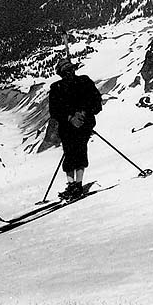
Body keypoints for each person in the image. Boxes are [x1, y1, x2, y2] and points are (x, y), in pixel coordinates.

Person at [48, 58, 103, 200]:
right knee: (71, 153)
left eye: (70, 70)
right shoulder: (57, 88)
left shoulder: (83, 82)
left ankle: (76, 185)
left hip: (83, 124)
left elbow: (96, 102)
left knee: (77, 151)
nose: (69, 73)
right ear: (61, 74)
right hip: (68, 126)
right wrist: (69, 117)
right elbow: (54, 110)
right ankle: (73, 185)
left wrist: (83, 113)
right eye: (66, 71)